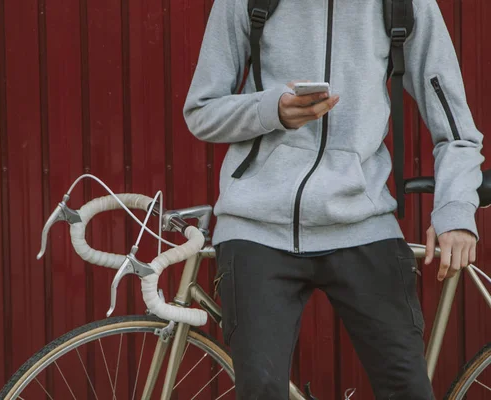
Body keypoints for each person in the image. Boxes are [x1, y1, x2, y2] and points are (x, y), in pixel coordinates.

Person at [183, 0, 484, 398]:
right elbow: (201, 111)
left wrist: (456, 211)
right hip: (257, 227)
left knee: (408, 390)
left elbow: (457, 130)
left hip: (363, 222)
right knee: (262, 390)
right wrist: (272, 109)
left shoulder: (403, 4)